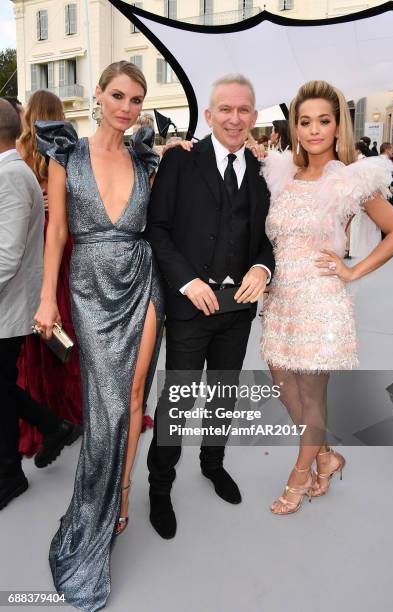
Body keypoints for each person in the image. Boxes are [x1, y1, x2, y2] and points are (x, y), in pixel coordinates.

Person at [33, 61, 164, 611]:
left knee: (134, 398)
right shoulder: (67, 152)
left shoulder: (144, 156)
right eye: (118, 95)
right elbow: (59, 230)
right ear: (98, 95)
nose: (127, 107)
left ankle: (123, 498)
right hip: (89, 287)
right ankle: (90, 517)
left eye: (136, 99)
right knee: (105, 405)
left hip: (143, 278)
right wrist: (45, 297)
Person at [260, 80, 393, 515]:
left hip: (322, 301)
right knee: (282, 382)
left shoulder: (350, 178)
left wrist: (351, 270)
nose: (314, 130)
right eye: (305, 121)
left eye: (324, 120)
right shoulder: (282, 174)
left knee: (311, 396)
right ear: (295, 126)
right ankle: (326, 455)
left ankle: (301, 473)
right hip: (281, 299)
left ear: (337, 124)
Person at [146, 74, 274, 539]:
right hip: (189, 308)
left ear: (255, 117)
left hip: (237, 310)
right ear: (210, 114)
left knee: (223, 393)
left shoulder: (265, 170)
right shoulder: (181, 162)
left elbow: (270, 238)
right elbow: (157, 228)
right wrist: (186, 281)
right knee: (177, 400)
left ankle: (213, 464)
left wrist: (263, 268)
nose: (235, 118)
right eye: (226, 109)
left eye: (243, 110)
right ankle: (160, 485)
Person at [15, 90, 83, 458]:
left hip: (33, 244)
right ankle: (70, 403)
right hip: (63, 240)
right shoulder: (69, 151)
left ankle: (44, 409)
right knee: (63, 322)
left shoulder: (19, 156)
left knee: (37, 328)